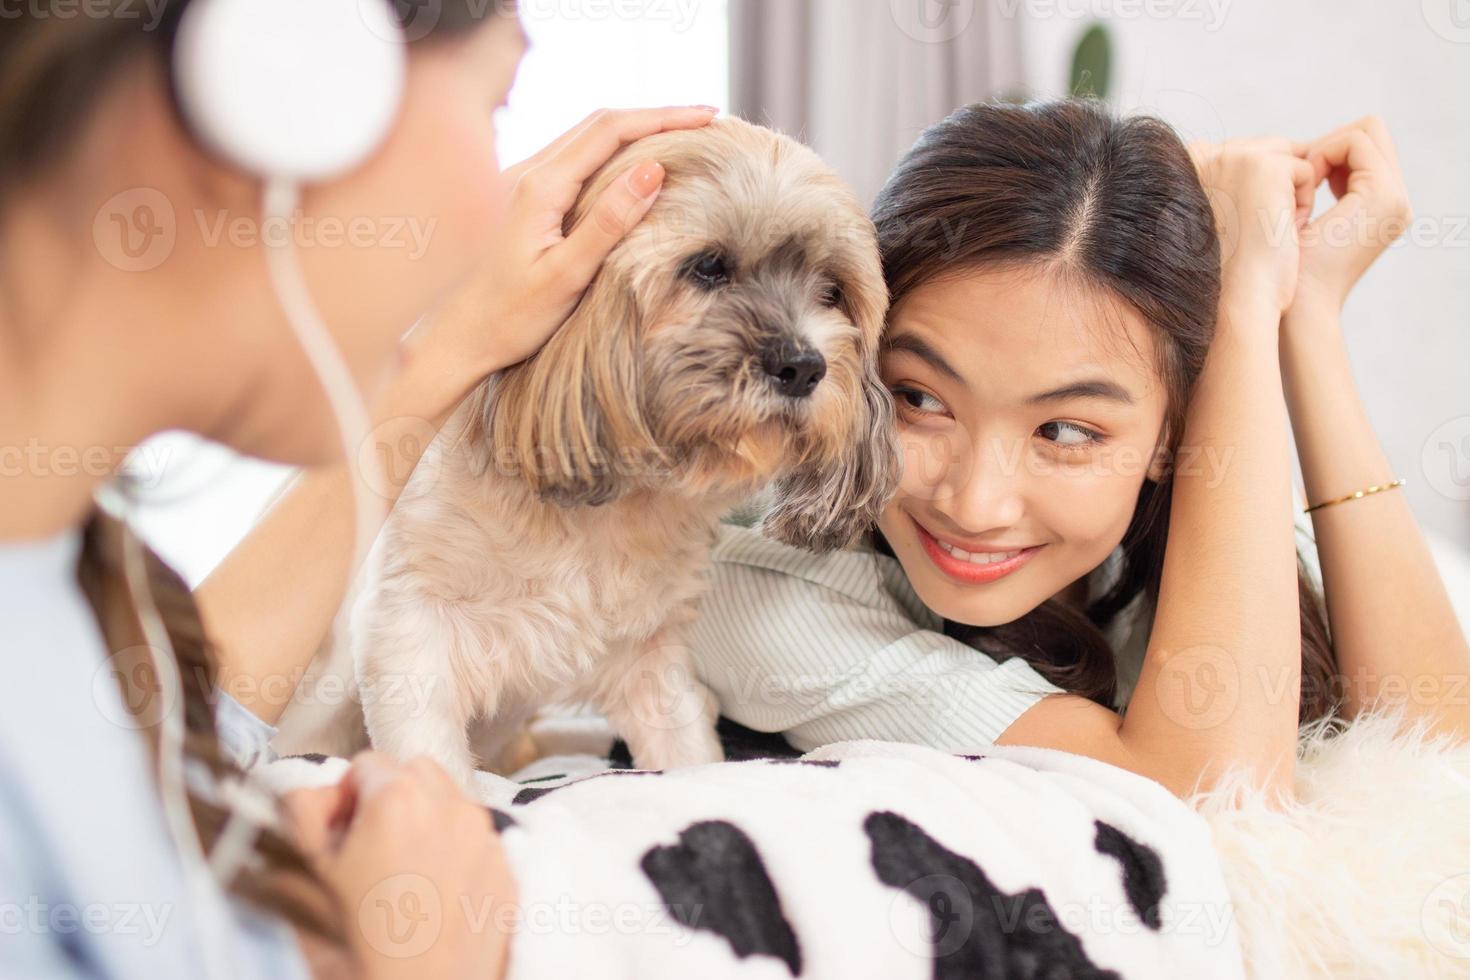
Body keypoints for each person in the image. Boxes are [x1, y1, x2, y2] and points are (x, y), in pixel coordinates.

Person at [0, 1, 716, 975]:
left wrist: (443, 352)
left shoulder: (50, 573)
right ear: (274, 86)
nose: (499, 209)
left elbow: (178, 725)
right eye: (494, 108)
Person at [690, 100, 1470, 798]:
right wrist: (1241, 304)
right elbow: (1216, 799)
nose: (975, 503)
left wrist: (1301, 314)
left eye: (1064, 432)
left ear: (1173, 434)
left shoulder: (1184, 515)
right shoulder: (750, 585)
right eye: (920, 400)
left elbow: (1434, 759)